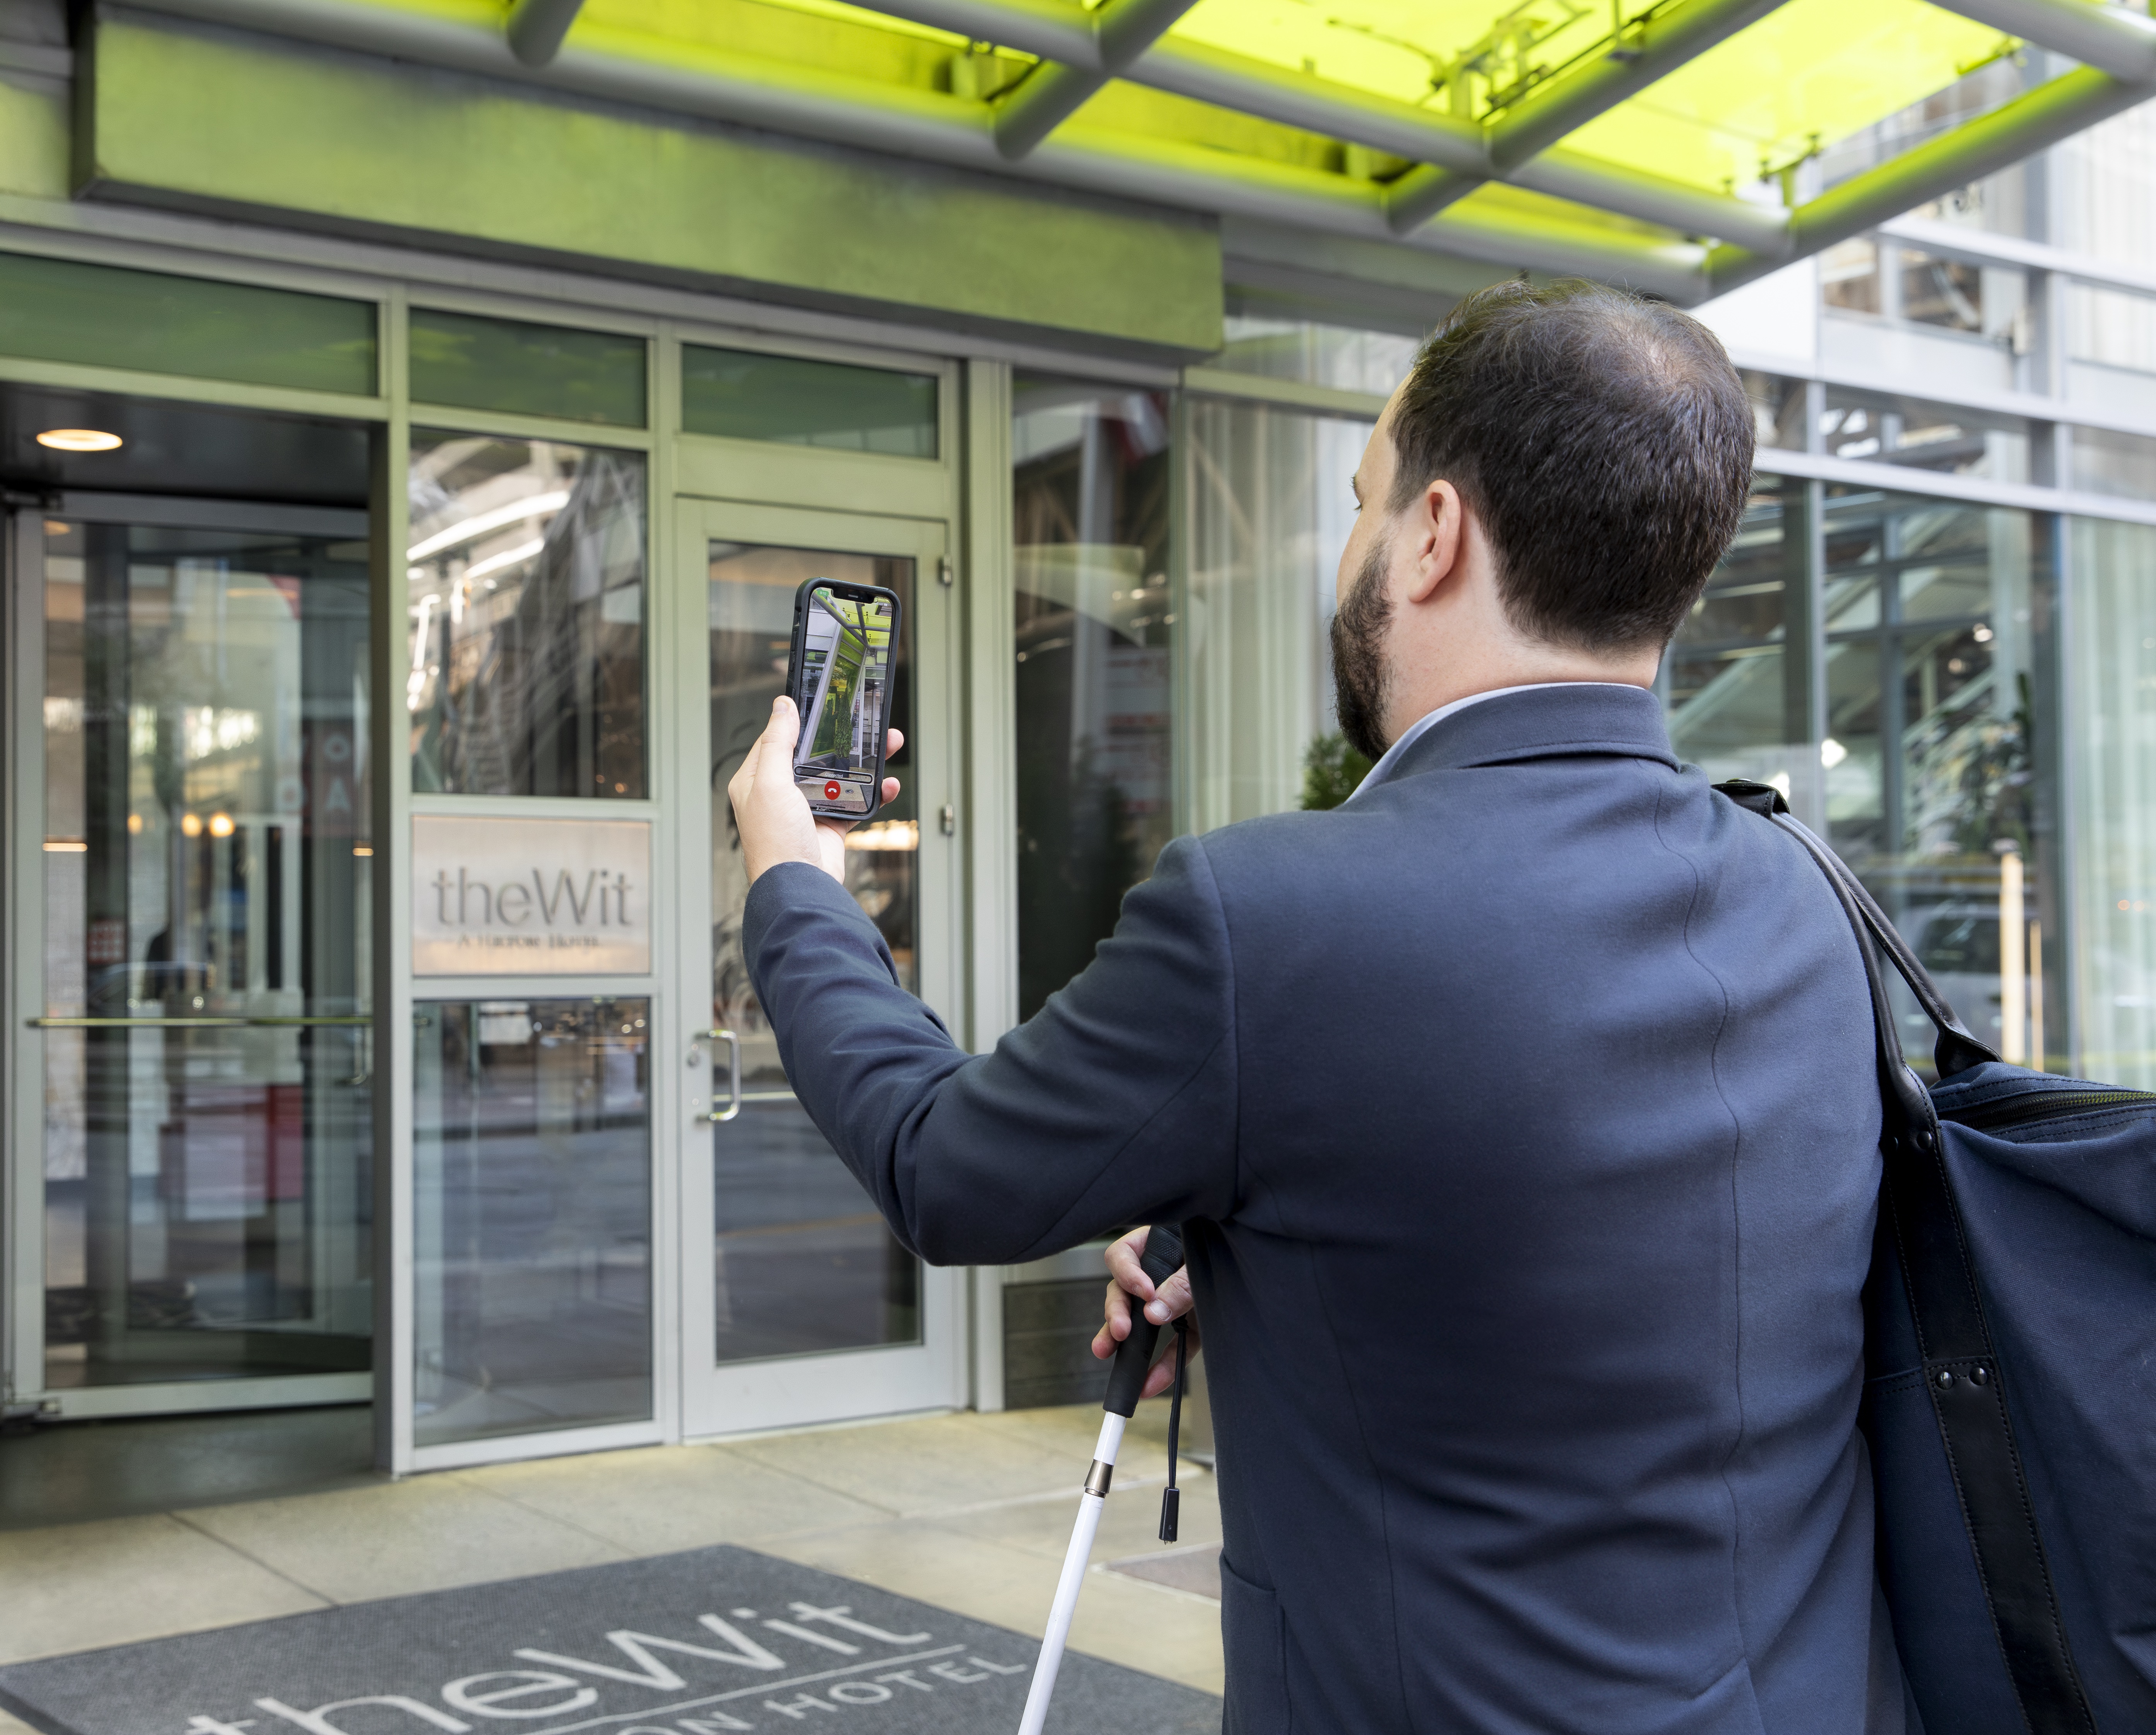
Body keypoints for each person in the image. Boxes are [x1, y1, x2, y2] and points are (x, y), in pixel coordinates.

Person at [726, 277, 1897, 1733]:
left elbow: (943, 1167)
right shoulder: (1811, 898)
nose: (1349, 550)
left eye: (1361, 504)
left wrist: (796, 885)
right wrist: (1278, 1256)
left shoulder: (1268, 917)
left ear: (1434, 535)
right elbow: (1616, 1265)